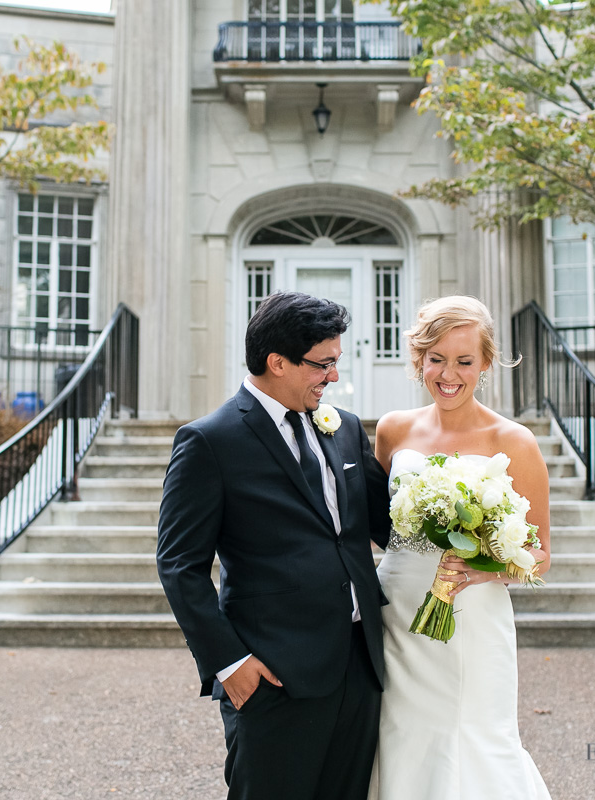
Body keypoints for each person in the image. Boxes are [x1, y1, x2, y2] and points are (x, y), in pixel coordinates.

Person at [157, 291, 391, 800]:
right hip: (272, 673)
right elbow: (180, 566)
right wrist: (231, 665)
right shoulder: (209, 441)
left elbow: (386, 527)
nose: (333, 376)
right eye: (322, 365)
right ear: (277, 362)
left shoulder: (346, 428)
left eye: (335, 363)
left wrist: (466, 520)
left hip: (360, 663)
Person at [368, 295, 552, 800]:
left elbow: (540, 555)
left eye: (464, 361)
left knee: (473, 734)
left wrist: (483, 570)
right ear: (419, 360)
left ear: (486, 363)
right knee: (399, 731)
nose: (449, 374)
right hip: (398, 611)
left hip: (471, 615)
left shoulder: (513, 440)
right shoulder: (392, 430)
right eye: (437, 359)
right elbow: (375, 523)